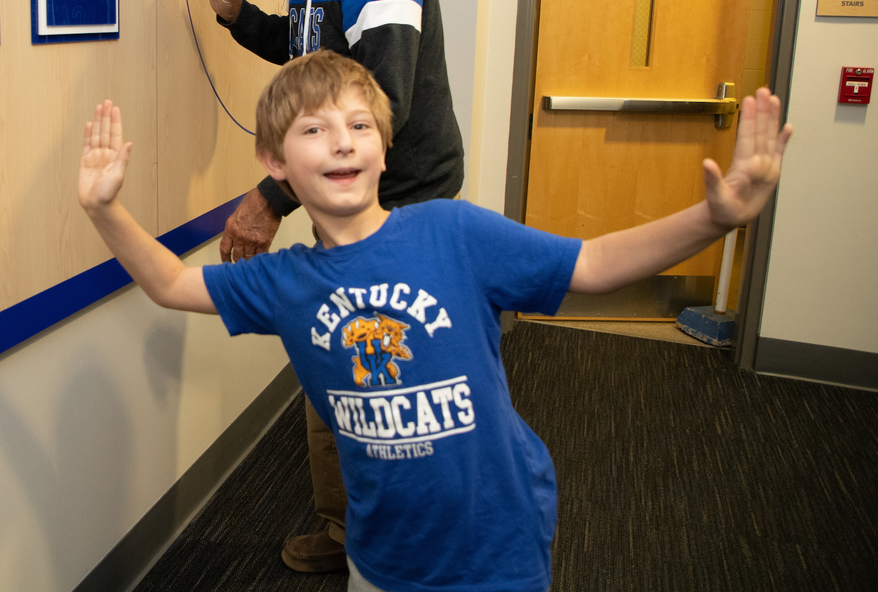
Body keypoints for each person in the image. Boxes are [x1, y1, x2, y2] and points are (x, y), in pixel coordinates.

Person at [78, 50, 791, 592]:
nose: (343, 142)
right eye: (315, 129)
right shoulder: (284, 282)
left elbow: (595, 263)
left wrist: (714, 218)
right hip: (383, 554)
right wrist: (106, 209)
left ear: (385, 148)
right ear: (275, 163)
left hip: (496, 543)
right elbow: (171, 282)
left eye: (360, 125)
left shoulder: (454, 232)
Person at [197, 0, 464, 571]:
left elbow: (382, 98)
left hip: (398, 204)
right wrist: (237, 15)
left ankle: (393, 545)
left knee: (387, 381)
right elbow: (314, 55)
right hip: (344, 200)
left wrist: (271, 196)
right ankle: (349, 530)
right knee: (335, 364)